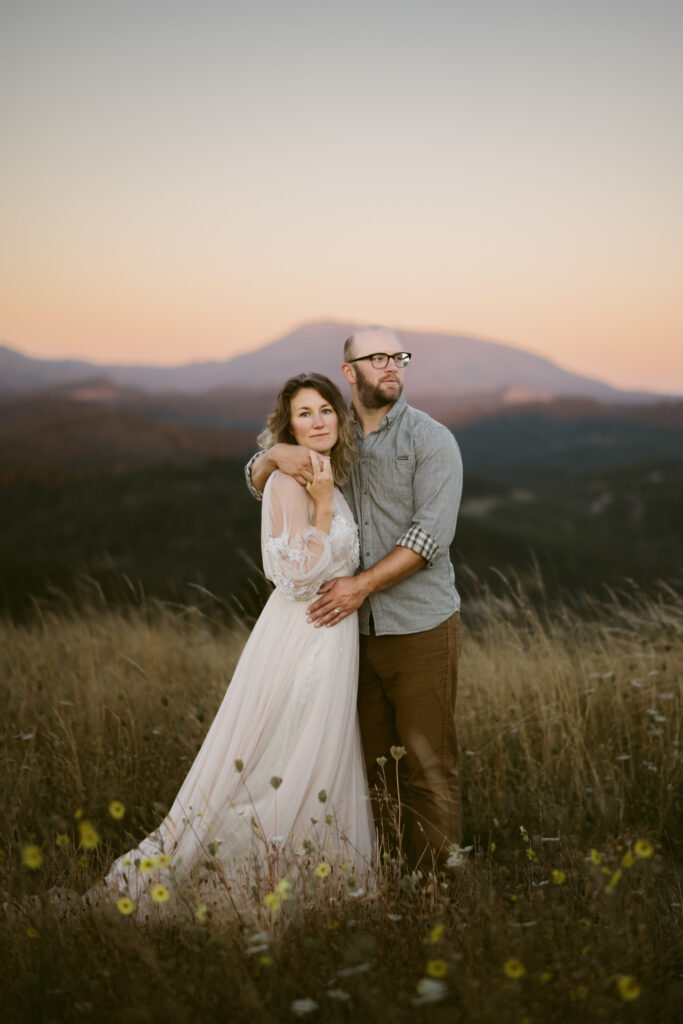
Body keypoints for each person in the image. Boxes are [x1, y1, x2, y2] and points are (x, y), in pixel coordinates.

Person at [93, 373, 374, 914]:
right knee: (279, 754)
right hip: (302, 638)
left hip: (335, 642)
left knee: (316, 755)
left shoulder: (330, 478)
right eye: (304, 414)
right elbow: (290, 576)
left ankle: (316, 875)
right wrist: (316, 506)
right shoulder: (290, 483)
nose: (318, 422)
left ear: (340, 416)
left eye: (325, 411)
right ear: (287, 426)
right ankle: (246, 876)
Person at [247, 326, 463, 872]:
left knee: (428, 767)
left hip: (418, 627)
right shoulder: (332, 430)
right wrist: (272, 455)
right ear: (351, 372)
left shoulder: (430, 439)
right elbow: (263, 483)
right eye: (378, 358)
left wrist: (359, 586)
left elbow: (429, 537)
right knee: (370, 768)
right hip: (351, 638)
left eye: (399, 357)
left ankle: (435, 893)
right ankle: (392, 879)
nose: (392, 366)